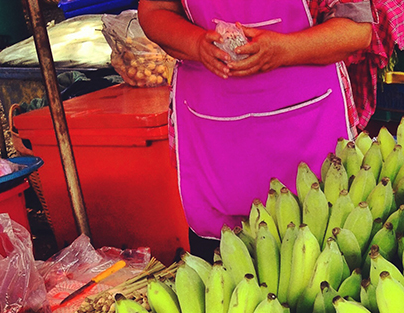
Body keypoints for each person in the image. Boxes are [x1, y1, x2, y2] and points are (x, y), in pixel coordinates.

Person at [137, 1, 374, 259]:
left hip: (309, 121)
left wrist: (285, 49)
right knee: (223, 268)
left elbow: (356, 29)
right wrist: (196, 44)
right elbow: (155, 11)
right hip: (214, 131)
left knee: (317, 252)